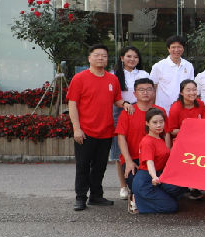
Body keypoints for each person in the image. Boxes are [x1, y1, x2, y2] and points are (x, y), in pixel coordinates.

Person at [67, 45, 131, 211]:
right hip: (85, 131)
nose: (101, 58)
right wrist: (76, 128)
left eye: (104, 55)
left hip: (106, 131)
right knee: (83, 166)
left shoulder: (112, 79)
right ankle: (80, 197)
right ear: (89, 58)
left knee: (100, 166)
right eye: (97, 55)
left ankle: (96, 195)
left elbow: (116, 99)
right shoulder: (79, 78)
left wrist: (125, 104)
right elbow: (72, 104)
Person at [114, 77, 164, 199]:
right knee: (137, 184)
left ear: (154, 92)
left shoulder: (160, 111)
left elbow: (165, 135)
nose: (145, 92)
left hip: (156, 158)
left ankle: (147, 199)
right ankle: (138, 197)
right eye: (141, 90)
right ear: (135, 93)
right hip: (135, 159)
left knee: (166, 186)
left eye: (149, 89)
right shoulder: (127, 112)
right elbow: (121, 138)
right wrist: (128, 161)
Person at [111, 45, 150, 198]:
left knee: (140, 145)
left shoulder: (143, 74)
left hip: (141, 109)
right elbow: (113, 98)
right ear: (122, 58)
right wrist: (125, 105)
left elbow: (149, 93)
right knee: (119, 150)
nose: (132, 59)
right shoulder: (114, 75)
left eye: (135, 57)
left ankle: (140, 180)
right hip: (121, 110)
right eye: (129, 56)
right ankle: (123, 186)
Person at [130, 109, 186, 214]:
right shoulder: (147, 141)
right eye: (155, 122)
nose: (159, 125)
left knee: (179, 186)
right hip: (146, 180)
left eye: (161, 122)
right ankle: (137, 200)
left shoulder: (160, 139)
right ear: (147, 123)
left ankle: (155, 199)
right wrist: (154, 176)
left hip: (159, 176)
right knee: (171, 207)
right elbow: (149, 162)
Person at [149, 35, 194, 111]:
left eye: (179, 47)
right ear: (168, 49)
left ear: (183, 48)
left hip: (183, 108)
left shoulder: (189, 66)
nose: (176, 50)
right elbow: (153, 88)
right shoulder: (158, 66)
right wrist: (152, 107)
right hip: (163, 109)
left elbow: (191, 88)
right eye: (173, 47)